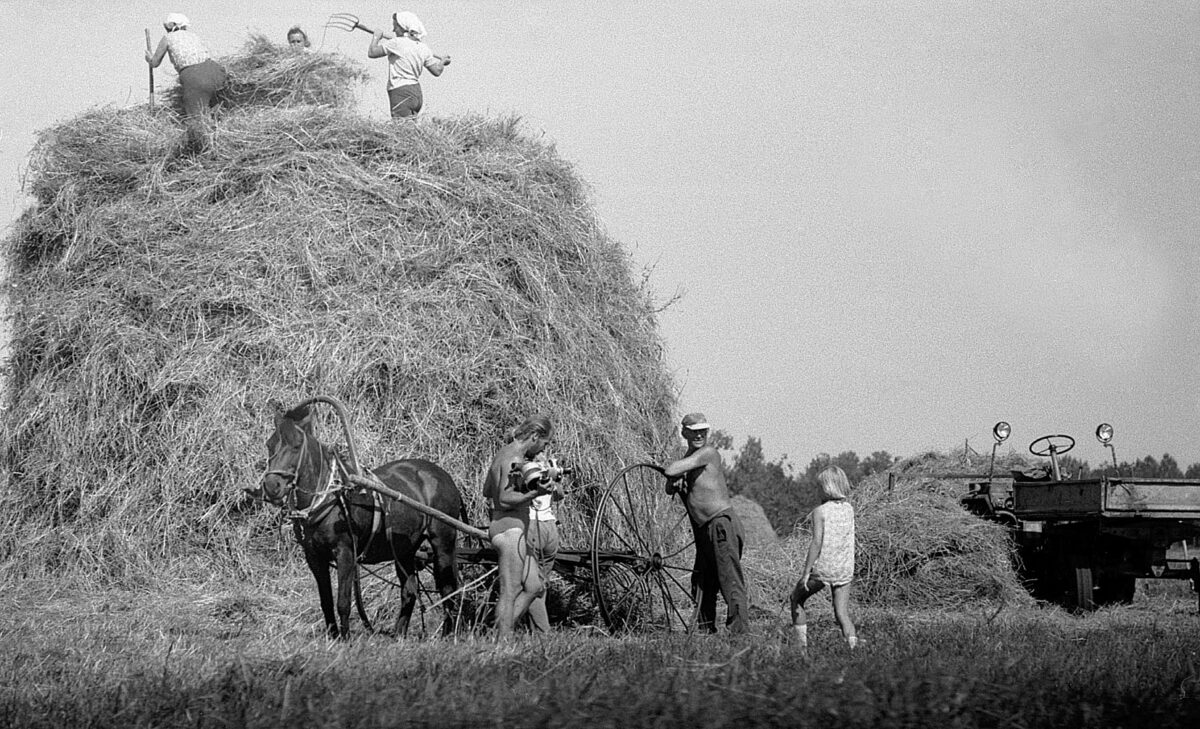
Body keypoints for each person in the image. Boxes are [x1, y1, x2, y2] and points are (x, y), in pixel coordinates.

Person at [660, 412, 749, 635]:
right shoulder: (690, 458)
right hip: (704, 530)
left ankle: (740, 635)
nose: (699, 435)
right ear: (684, 432)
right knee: (702, 581)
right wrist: (677, 482)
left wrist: (676, 474)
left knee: (729, 580)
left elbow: (670, 470)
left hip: (720, 525)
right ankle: (705, 631)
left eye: (703, 431)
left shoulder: (707, 454)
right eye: (694, 431)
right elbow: (669, 488)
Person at [483, 415, 559, 638]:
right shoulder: (513, 457)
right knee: (510, 591)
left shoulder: (503, 455)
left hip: (511, 528)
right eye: (544, 443)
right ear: (535, 436)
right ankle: (502, 644)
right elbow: (505, 500)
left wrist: (522, 484)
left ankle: (499, 631)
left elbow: (488, 491)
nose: (542, 448)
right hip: (510, 531)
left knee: (534, 586)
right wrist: (536, 493)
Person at [789, 465, 858, 651]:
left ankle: (801, 649)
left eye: (819, 486)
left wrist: (805, 573)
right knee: (842, 613)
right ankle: (853, 651)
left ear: (826, 487)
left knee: (796, 600)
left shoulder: (820, 511)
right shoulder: (849, 509)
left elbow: (817, 543)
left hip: (825, 567)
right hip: (845, 567)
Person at [145, 13, 228, 152]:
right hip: (216, 71)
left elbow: (155, 62)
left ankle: (205, 151)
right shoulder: (193, 36)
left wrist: (149, 58)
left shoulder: (168, 38)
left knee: (197, 120)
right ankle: (223, 140)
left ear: (172, 25)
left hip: (195, 76)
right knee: (216, 111)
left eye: (167, 25)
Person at [366, 11, 451, 118]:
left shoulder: (396, 43)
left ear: (402, 27)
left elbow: (372, 53)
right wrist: (442, 62)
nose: (393, 30)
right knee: (410, 131)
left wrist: (376, 37)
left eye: (395, 26)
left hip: (400, 91)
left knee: (401, 130)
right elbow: (437, 71)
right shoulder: (423, 48)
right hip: (416, 93)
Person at [525, 456, 564, 632]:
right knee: (541, 582)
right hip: (550, 527)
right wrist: (555, 476)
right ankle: (538, 630)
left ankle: (542, 632)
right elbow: (559, 495)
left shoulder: (526, 468)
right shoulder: (547, 468)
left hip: (532, 526)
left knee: (529, 584)